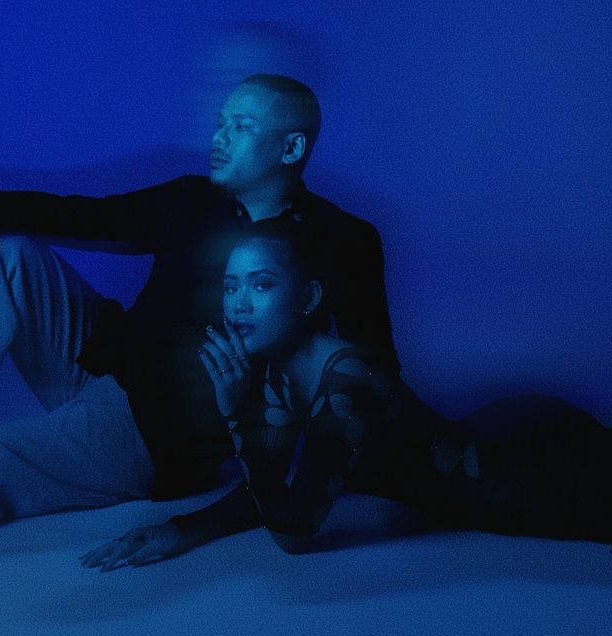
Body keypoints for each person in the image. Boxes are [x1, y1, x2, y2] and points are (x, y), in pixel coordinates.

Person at [0, 74, 398, 523]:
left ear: (290, 149)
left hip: (148, 431)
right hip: (102, 366)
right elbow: (77, 215)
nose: (219, 138)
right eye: (220, 123)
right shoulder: (190, 199)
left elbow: (373, 370)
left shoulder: (341, 239)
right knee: (5, 251)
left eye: (241, 126)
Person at [80, 218, 612, 571]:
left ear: (309, 296)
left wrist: (237, 412)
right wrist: (181, 531)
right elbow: (273, 487)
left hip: (533, 473)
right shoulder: (277, 368)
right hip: (500, 431)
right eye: (230, 285)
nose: (238, 303)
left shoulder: (348, 381)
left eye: (261, 284)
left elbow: (294, 532)